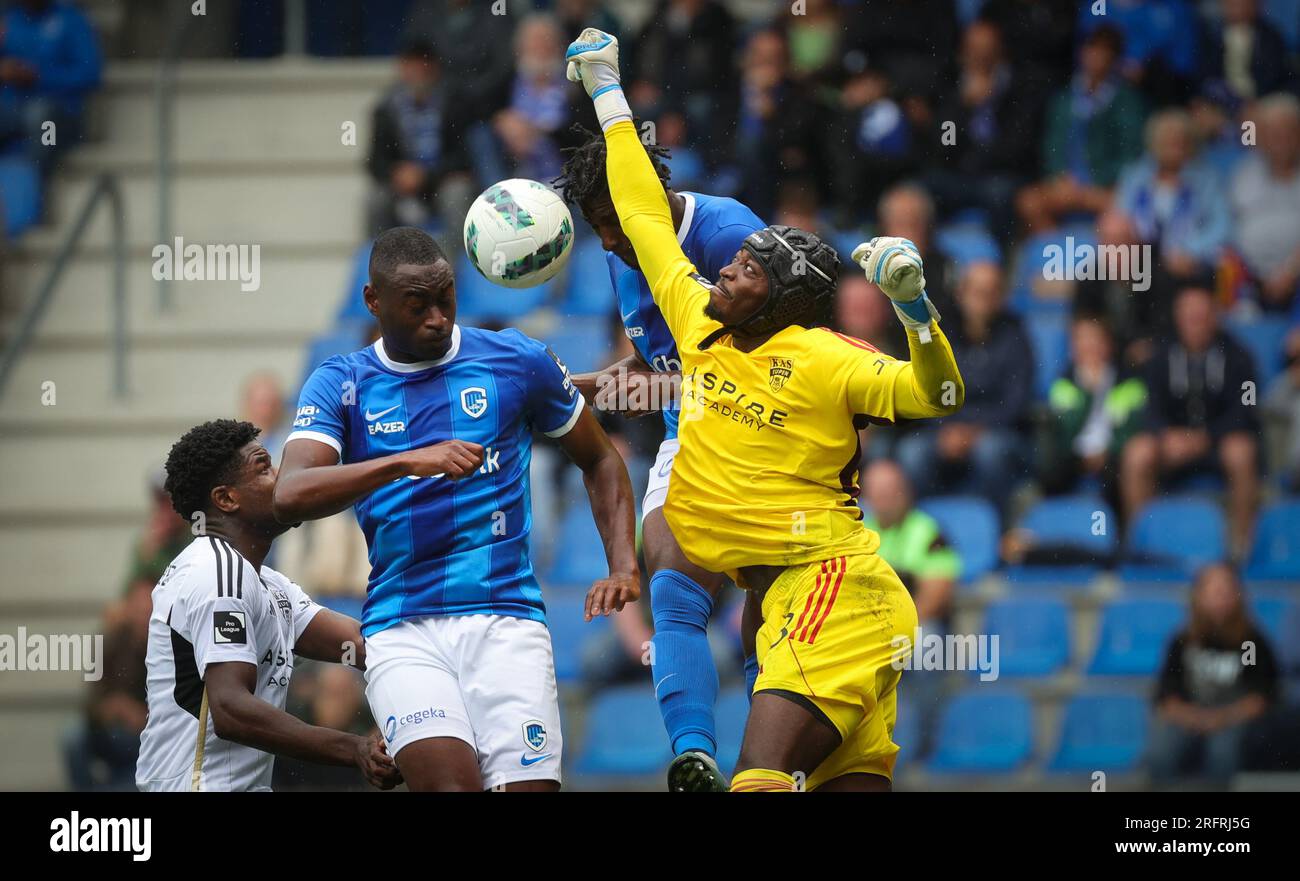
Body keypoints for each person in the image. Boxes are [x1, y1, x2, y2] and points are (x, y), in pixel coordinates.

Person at [567, 28, 964, 792]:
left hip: (831, 583)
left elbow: (937, 396)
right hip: (787, 588)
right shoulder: (697, 315)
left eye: (744, 271)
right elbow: (644, 222)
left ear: (773, 298)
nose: (721, 273)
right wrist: (607, 89)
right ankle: (697, 739)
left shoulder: (819, 356)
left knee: (758, 777)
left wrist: (916, 311)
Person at [273, 227, 639, 792]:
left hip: (507, 620)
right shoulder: (342, 382)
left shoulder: (516, 360)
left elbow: (600, 459)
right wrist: (404, 462)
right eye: (417, 306)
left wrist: (622, 566)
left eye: (445, 299)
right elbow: (290, 492)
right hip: (403, 628)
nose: (438, 318)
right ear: (374, 301)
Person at [555, 126, 765, 790]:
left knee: (766, 611)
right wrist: (572, 381)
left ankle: (775, 769)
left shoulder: (730, 236)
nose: (610, 240)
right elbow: (658, 365)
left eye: (615, 221)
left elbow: (776, 366)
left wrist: (650, 387)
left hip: (767, 434)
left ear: (654, 192)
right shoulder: (623, 254)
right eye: (597, 228)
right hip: (690, 436)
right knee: (671, 586)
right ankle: (695, 755)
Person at [136, 420, 401, 792]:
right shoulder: (216, 573)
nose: (283, 479)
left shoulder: (267, 583)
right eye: (265, 468)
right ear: (226, 499)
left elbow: (364, 646)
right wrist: (354, 748)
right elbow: (231, 710)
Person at [1119, 287, 1260, 555]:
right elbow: (1148, 405)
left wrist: (1206, 437)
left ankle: (1243, 547)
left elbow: (1247, 408)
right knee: (1137, 453)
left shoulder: (1240, 357)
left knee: (1242, 451)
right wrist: (1165, 435)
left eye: (1201, 317)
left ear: (1214, 318)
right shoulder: (1159, 356)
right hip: (1172, 444)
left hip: (1218, 442)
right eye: (1189, 317)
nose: (1195, 324)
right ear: (1178, 319)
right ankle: (1141, 544)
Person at [1150, 563, 1279, 784]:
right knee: (1160, 755)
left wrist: (1221, 718)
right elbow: (1166, 695)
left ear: (1238, 596)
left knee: (1222, 755)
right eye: (1213, 590)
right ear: (1198, 596)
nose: (1220, 597)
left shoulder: (1251, 642)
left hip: (1234, 719)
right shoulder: (1182, 641)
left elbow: (1261, 697)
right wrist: (1195, 718)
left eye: (1226, 590)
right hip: (1189, 717)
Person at [365, 37, 473, 245]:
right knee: (375, 200)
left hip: (441, 183)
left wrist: (426, 176)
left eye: (423, 65)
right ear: (402, 68)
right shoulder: (385, 109)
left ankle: (452, 265)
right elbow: (374, 161)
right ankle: (380, 264)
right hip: (400, 185)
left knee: (458, 194)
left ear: (434, 69)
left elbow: (463, 157)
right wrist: (396, 173)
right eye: (411, 65)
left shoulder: (454, 104)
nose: (417, 72)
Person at [0, 0, 103, 173]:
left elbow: (90, 74)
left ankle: (36, 191)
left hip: (61, 119)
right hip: (14, 112)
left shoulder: (71, 19)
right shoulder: (10, 20)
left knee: (41, 120)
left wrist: (38, 76)